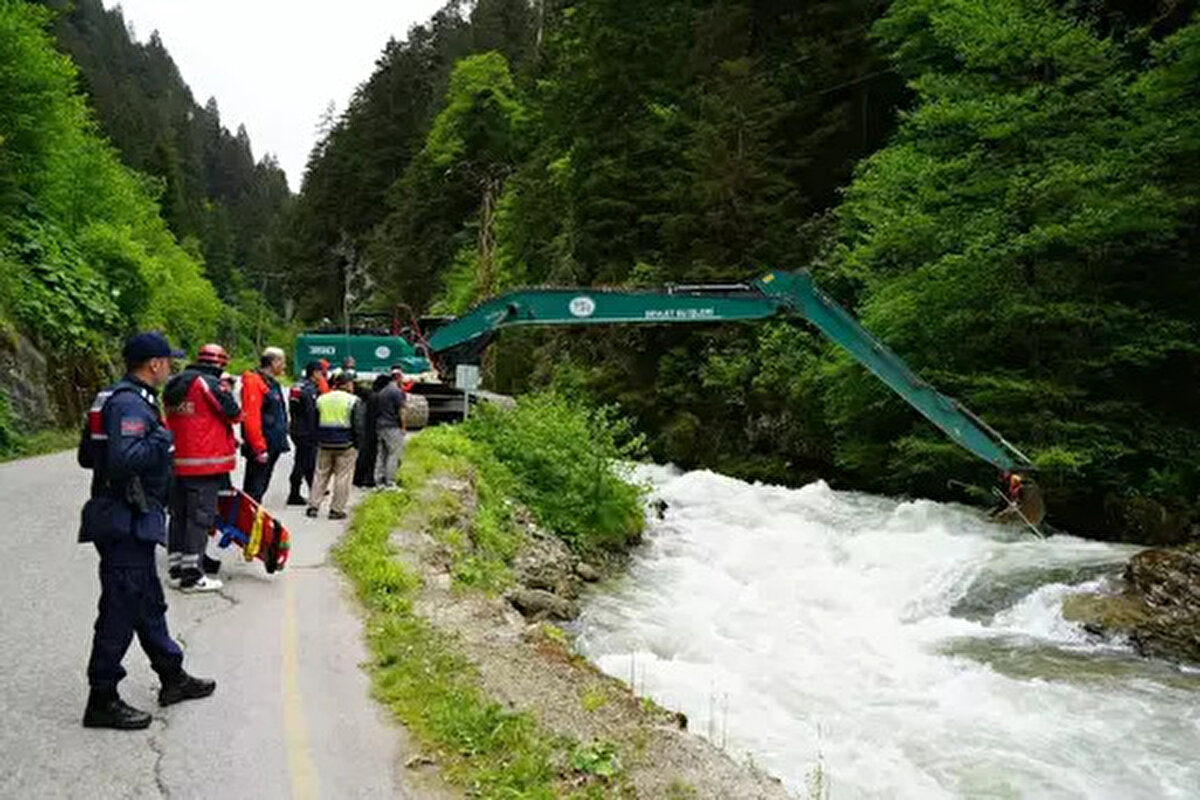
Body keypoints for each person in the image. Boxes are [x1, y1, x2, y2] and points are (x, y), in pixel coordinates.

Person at [77, 332, 216, 730]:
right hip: (126, 518)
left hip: (125, 515)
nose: (171, 367)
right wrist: (163, 438)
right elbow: (124, 459)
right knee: (120, 608)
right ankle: (102, 697)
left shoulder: (112, 398)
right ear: (153, 364)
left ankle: (172, 676)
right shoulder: (130, 403)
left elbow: (88, 454)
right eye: (167, 361)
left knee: (147, 603)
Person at [164, 343, 240, 592]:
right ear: (220, 363)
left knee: (179, 516)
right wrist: (228, 390)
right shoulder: (207, 383)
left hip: (177, 462)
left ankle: (176, 569)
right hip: (204, 464)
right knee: (199, 519)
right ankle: (192, 576)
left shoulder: (174, 384)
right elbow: (233, 413)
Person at [307, 371, 365, 521]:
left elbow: (314, 422)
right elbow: (358, 425)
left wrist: (316, 440)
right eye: (352, 383)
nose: (353, 386)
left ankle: (313, 506)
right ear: (346, 384)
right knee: (343, 477)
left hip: (324, 443)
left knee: (320, 474)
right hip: (346, 444)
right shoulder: (353, 400)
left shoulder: (321, 399)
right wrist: (358, 445)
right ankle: (336, 510)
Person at [241, 347, 289, 502]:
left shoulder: (270, 383)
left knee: (260, 488)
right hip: (262, 446)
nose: (284, 366)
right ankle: (248, 523)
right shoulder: (254, 382)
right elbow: (252, 417)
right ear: (273, 362)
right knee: (254, 490)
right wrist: (259, 447)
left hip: (271, 444)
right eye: (282, 362)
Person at [286, 361, 322, 506]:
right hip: (307, 430)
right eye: (320, 372)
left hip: (296, 428)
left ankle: (312, 490)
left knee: (305, 460)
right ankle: (295, 494)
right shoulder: (309, 390)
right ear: (314, 373)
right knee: (303, 462)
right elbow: (311, 413)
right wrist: (316, 432)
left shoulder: (297, 385)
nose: (322, 376)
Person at [354, 374, 388, 488]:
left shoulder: (370, 395)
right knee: (370, 456)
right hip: (372, 430)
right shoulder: (377, 397)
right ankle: (367, 480)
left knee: (363, 455)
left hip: (364, 429)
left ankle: (358, 478)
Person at [375, 367, 407, 488]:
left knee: (382, 454)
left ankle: (379, 481)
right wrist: (403, 427)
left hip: (380, 426)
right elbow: (402, 411)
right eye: (402, 378)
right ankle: (390, 481)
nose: (402, 380)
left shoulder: (382, 391)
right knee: (394, 454)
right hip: (392, 426)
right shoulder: (397, 392)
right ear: (398, 377)